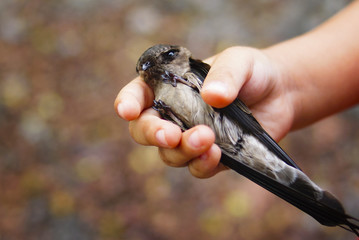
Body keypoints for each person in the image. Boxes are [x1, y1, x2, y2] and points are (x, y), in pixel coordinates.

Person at [114, 0, 359, 179]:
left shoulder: (194, 69)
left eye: (167, 56)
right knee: (290, 182)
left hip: (242, 131)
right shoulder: (158, 98)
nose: (161, 66)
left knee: (288, 176)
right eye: (148, 68)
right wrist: (286, 82)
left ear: (181, 55)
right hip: (226, 147)